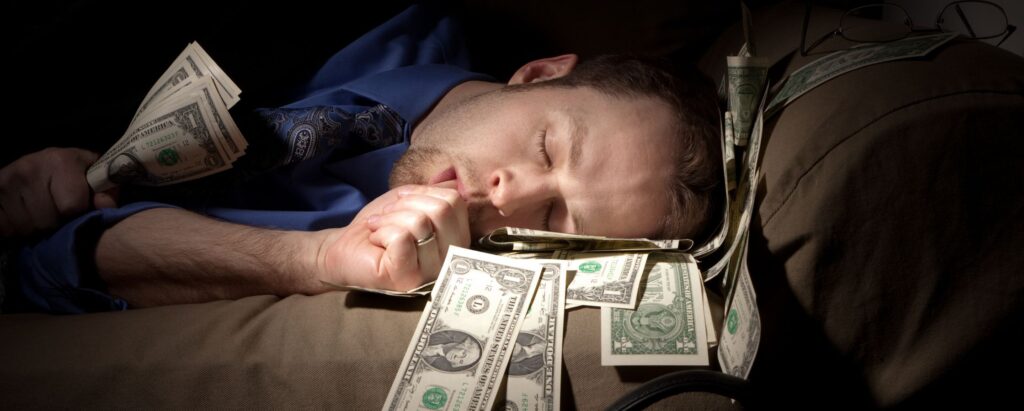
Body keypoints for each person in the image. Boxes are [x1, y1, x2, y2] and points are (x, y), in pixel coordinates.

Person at [0, 4, 721, 314]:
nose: (515, 194)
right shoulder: (384, 15)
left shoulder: (375, 242)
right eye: (548, 147)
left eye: (561, 218)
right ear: (535, 75)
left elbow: (57, 260)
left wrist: (310, 262)